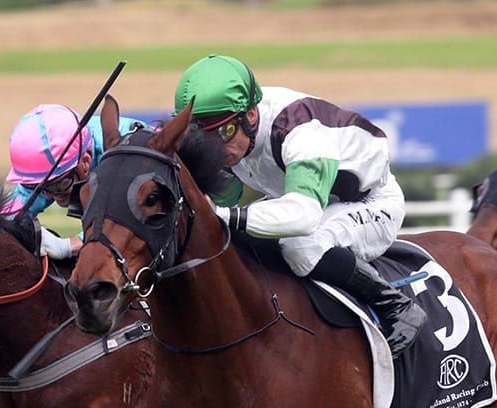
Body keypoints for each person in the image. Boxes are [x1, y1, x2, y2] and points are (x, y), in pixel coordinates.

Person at [172, 53, 425, 355]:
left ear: (250, 115)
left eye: (224, 132)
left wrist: (224, 215)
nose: (216, 149)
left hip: (370, 203)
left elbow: (303, 215)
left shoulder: (298, 130)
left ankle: (395, 305)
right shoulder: (231, 134)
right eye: (203, 139)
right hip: (307, 202)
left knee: (301, 247)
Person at [1, 103, 146, 259]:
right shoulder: (50, 173)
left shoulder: (125, 158)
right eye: (36, 187)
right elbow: (8, 217)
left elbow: (125, 221)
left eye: (59, 185)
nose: (50, 196)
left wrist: (68, 245)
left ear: (85, 162)